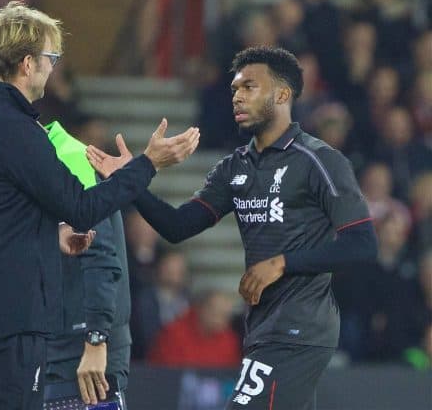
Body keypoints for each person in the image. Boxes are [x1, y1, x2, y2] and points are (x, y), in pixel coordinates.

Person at [87, 46, 378, 410]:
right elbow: (178, 227)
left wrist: (282, 263)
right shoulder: (234, 167)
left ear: (283, 95)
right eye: (235, 89)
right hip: (262, 328)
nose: (238, 96)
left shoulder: (320, 160)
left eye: (250, 87)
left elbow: (362, 244)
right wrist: (132, 180)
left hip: (301, 327)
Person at [0, 1, 199, 410]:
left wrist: (50, 233)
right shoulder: (14, 129)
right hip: (14, 323)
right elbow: (82, 208)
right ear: (27, 64)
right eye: (51, 56)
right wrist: (148, 164)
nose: (53, 66)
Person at [42, 121, 132, 408]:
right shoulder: (35, 161)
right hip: (57, 346)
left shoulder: (67, 156)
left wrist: (95, 339)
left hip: (83, 351)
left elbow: (101, 251)